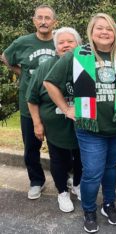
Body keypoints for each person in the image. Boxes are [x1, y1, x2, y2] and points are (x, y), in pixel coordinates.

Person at [44, 13, 116, 233]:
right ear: (91, 33)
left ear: (115, 33)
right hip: (90, 128)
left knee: (111, 168)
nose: (104, 32)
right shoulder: (76, 56)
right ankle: (89, 210)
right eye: (99, 28)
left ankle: (109, 204)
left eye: (109, 29)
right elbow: (50, 82)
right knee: (93, 172)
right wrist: (66, 109)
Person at [1, 5, 57, 200]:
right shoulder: (23, 42)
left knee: (61, 146)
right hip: (28, 105)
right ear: (34, 21)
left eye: (47, 18)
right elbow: (5, 58)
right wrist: (22, 72)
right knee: (31, 148)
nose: (43, 21)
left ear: (54, 22)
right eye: (39, 18)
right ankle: (36, 181)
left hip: (55, 106)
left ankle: (64, 177)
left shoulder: (60, 42)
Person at [26, 27, 83, 213]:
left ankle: (77, 184)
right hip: (55, 125)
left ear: (78, 44)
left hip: (81, 124)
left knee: (81, 158)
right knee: (58, 159)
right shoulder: (46, 66)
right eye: (61, 42)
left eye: (70, 41)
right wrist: (37, 123)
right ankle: (62, 193)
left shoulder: (85, 63)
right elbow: (32, 97)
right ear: (56, 46)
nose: (66, 45)